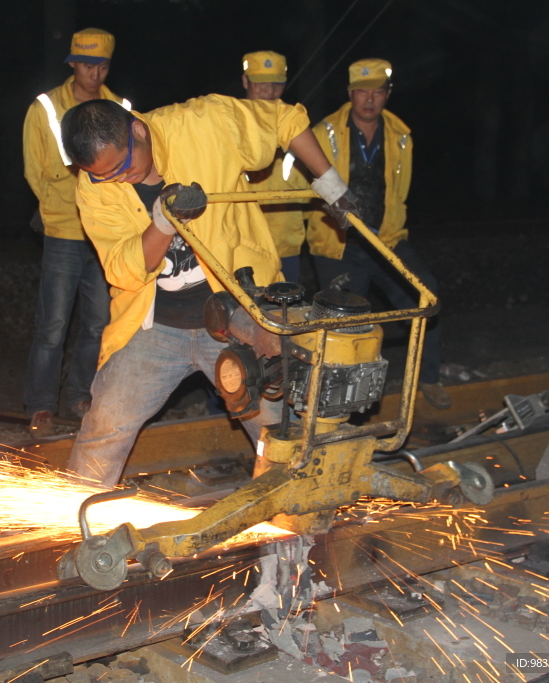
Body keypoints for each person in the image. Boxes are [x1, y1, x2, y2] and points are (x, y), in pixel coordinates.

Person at [59, 95, 356, 488]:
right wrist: (163, 223)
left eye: (122, 165)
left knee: (276, 427)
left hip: (238, 314)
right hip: (154, 326)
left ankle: (294, 520)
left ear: (138, 129)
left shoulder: (204, 122)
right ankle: (73, 522)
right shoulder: (93, 184)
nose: (116, 178)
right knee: (105, 423)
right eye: (102, 175)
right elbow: (122, 270)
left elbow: (285, 120)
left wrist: (331, 185)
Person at [308, 58, 452, 410]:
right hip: (340, 246)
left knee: (425, 297)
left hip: (386, 242)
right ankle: (340, 401)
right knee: (345, 325)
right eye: (362, 92)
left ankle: (428, 379)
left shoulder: (400, 135)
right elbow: (302, 185)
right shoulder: (324, 132)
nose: (369, 100)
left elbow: (398, 191)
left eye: (378, 92)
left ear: (388, 94)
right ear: (349, 94)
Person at [22, 28, 131, 436]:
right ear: (73, 64)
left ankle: (81, 393)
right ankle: (40, 403)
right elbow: (34, 170)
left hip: (106, 235)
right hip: (65, 230)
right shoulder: (46, 107)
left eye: (101, 65)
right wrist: (56, 210)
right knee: (53, 322)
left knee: (98, 321)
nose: (94, 73)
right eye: (87, 65)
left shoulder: (120, 107)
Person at [240, 51, 310, 285]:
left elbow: (311, 184)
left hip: (285, 244)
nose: (268, 91)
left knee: (286, 314)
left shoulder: (298, 125)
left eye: (276, 84)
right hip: (242, 242)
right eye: (260, 83)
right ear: (245, 82)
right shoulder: (227, 124)